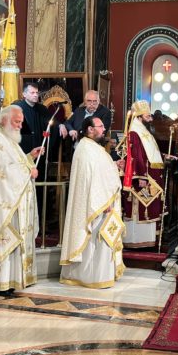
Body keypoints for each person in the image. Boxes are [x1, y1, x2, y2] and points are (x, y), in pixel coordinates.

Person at [0, 105, 43, 293]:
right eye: (17, 122)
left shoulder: (7, 139)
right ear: (4, 120)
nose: (20, 126)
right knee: (3, 241)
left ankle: (9, 281)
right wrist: (28, 170)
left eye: (21, 122)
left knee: (11, 241)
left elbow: (13, 163)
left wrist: (29, 157)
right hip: (0, 203)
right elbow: (1, 170)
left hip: (11, 201)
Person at [60, 117, 125, 288]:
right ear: (90, 129)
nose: (104, 129)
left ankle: (101, 274)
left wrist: (114, 164)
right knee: (94, 242)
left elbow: (100, 171)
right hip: (96, 206)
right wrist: (103, 201)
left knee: (102, 242)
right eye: (100, 126)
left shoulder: (93, 147)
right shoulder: (85, 149)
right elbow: (91, 179)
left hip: (101, 202)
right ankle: (92, 277)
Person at [122, 100, 166, 248]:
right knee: (142, 205)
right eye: (147, 115)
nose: (150, 117)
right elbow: (137, 155)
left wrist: (163, 156)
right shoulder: (135, 131)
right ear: (139, 116)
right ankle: (137, 240)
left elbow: (149, 152)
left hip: (152, 174)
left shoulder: (143, 130)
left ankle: (148, 239)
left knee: (150, 204)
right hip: (145, 176)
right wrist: (141, 175)